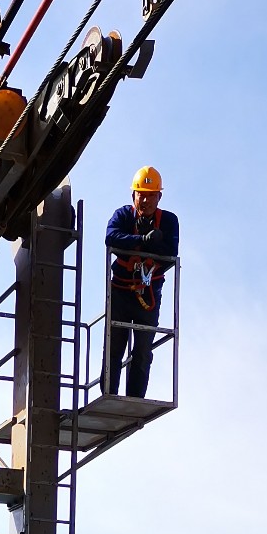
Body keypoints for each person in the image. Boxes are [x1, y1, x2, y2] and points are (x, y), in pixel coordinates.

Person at [102, 165, 179, 399]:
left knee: (143, 350)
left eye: (150, 195)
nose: (145, 200)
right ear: (133, 195)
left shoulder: (168, 221)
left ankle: (135, 398)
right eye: (141, 194)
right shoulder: (123, 215)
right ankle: (109, 395)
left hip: (149, 293)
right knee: (114, 346)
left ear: (159, 196)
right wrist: (142, 240)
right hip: (120, 291)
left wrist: (142, 249)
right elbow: (111, 237)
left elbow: (170, 252)